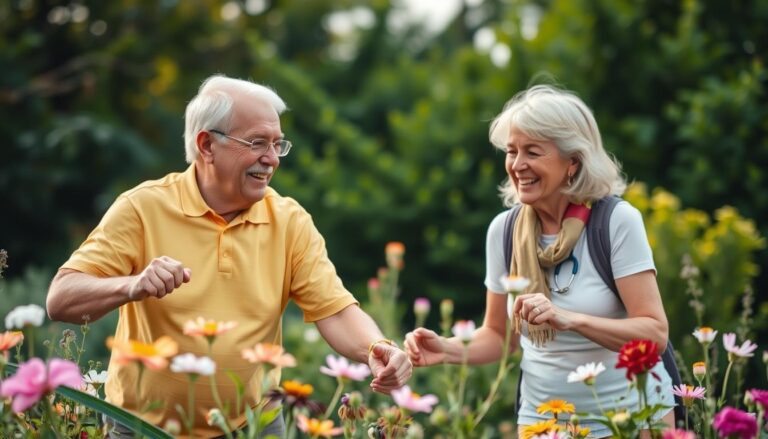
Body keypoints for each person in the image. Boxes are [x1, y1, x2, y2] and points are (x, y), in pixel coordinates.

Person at [46, 74, 412, 438]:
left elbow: (334, 310)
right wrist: (132, 285)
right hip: (144, 428)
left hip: (253, 426)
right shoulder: (142, 208)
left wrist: (376, 348)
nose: (271, 159)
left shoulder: (289, 221)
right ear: (207, 145)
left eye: (278, 144)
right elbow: (61, 299)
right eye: (257, 143)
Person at [404, 85, 674, 437]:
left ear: (572, 162)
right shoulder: (504, 231)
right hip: (542, 423)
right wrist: (448, 349)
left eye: (533, 152)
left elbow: (655, 334)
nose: (517, 165)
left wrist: (570, 319)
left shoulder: (616, 222)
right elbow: (500, 337)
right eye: (512, 151)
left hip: (632, 420)